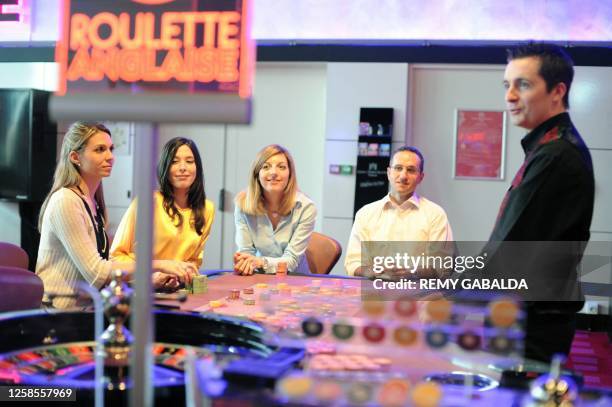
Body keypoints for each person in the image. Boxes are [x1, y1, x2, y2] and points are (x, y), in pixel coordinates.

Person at [485, 44, 594, 363]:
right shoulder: (548, 148)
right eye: (507, 85)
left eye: (524, 84)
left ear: (557, 91)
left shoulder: (556, 155)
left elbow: (506, 246)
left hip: (530, 324)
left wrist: (445, 297)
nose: (510, 96)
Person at [36, 122, 192, 309]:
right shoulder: (65, 201)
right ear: (75, 157)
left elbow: (105, 275)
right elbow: (98, 274)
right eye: (100, 150)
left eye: (111, 149)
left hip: (89, 309)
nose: (110, 157)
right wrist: (158, 264)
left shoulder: (93, 201)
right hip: (60, 315)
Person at [110, 137, 215, 291]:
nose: (183, 167)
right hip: (138, 290)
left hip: (176, 291)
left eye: (189, 161)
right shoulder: (147, 202)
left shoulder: (207, 208)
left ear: (197, 167)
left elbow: (194, 260)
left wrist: (182, 274)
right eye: (174, 161)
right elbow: (116, 257)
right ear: (165, 167)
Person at [345, 146, 453, 277]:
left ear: (420, 177)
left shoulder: (435, 214)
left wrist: (412, 273)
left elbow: (441, 266)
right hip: (374, 291)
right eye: (398, 168)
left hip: (418, 293)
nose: (403, 176)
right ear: (389, 173)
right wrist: (372, 272)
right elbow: (352, 263)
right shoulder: (365, 213)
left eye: (411, 170)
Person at [234, 144, 316, 275]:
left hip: (296, 280)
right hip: (260, 278)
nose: (273, 173)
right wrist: (245, 262)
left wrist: (261, 262)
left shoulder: (306, 207)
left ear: (290, 174)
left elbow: (292, 260)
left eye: (281, 167)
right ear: (257, 173)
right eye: (266, 167)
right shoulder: (243, 204)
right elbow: (245, 252)